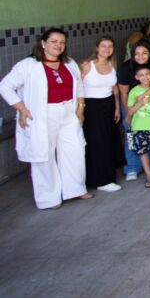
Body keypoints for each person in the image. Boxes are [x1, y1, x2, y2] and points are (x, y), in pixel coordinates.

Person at [0, 28, 93, 209]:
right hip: (42, 116)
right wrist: (21, 108)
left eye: (61, 42)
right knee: (44, 155)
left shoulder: (69, 63)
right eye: (54, 41)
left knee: (74, 150)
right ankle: (49, 198)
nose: (58, 45)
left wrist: (80, 110)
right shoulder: (28, 65)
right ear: (43, 43)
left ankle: (75, 189)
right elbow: (4, 86)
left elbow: (79, 86)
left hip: (68, 112)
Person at [117, 41, 150, 181]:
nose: (140, 57)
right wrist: (128, 114)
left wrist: (145, 96)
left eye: (144, 53)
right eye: (137, 54)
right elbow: (123, 93)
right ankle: (133, 167)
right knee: (131, 135)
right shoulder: (126, 67)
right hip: (130, 103)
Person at [81, 36, 124, 192]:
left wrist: (117, 107)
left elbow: (115, 89)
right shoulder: (87, 65)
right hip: (91, 107)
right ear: (97, 48)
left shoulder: (112, 65)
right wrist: (80, 110)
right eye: (103, 46)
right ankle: (100, 180)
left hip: (109, 105)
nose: (107, 49)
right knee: (96, 143)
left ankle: (107, 176)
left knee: (108, 142)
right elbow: (77, 88)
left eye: (110, 46)